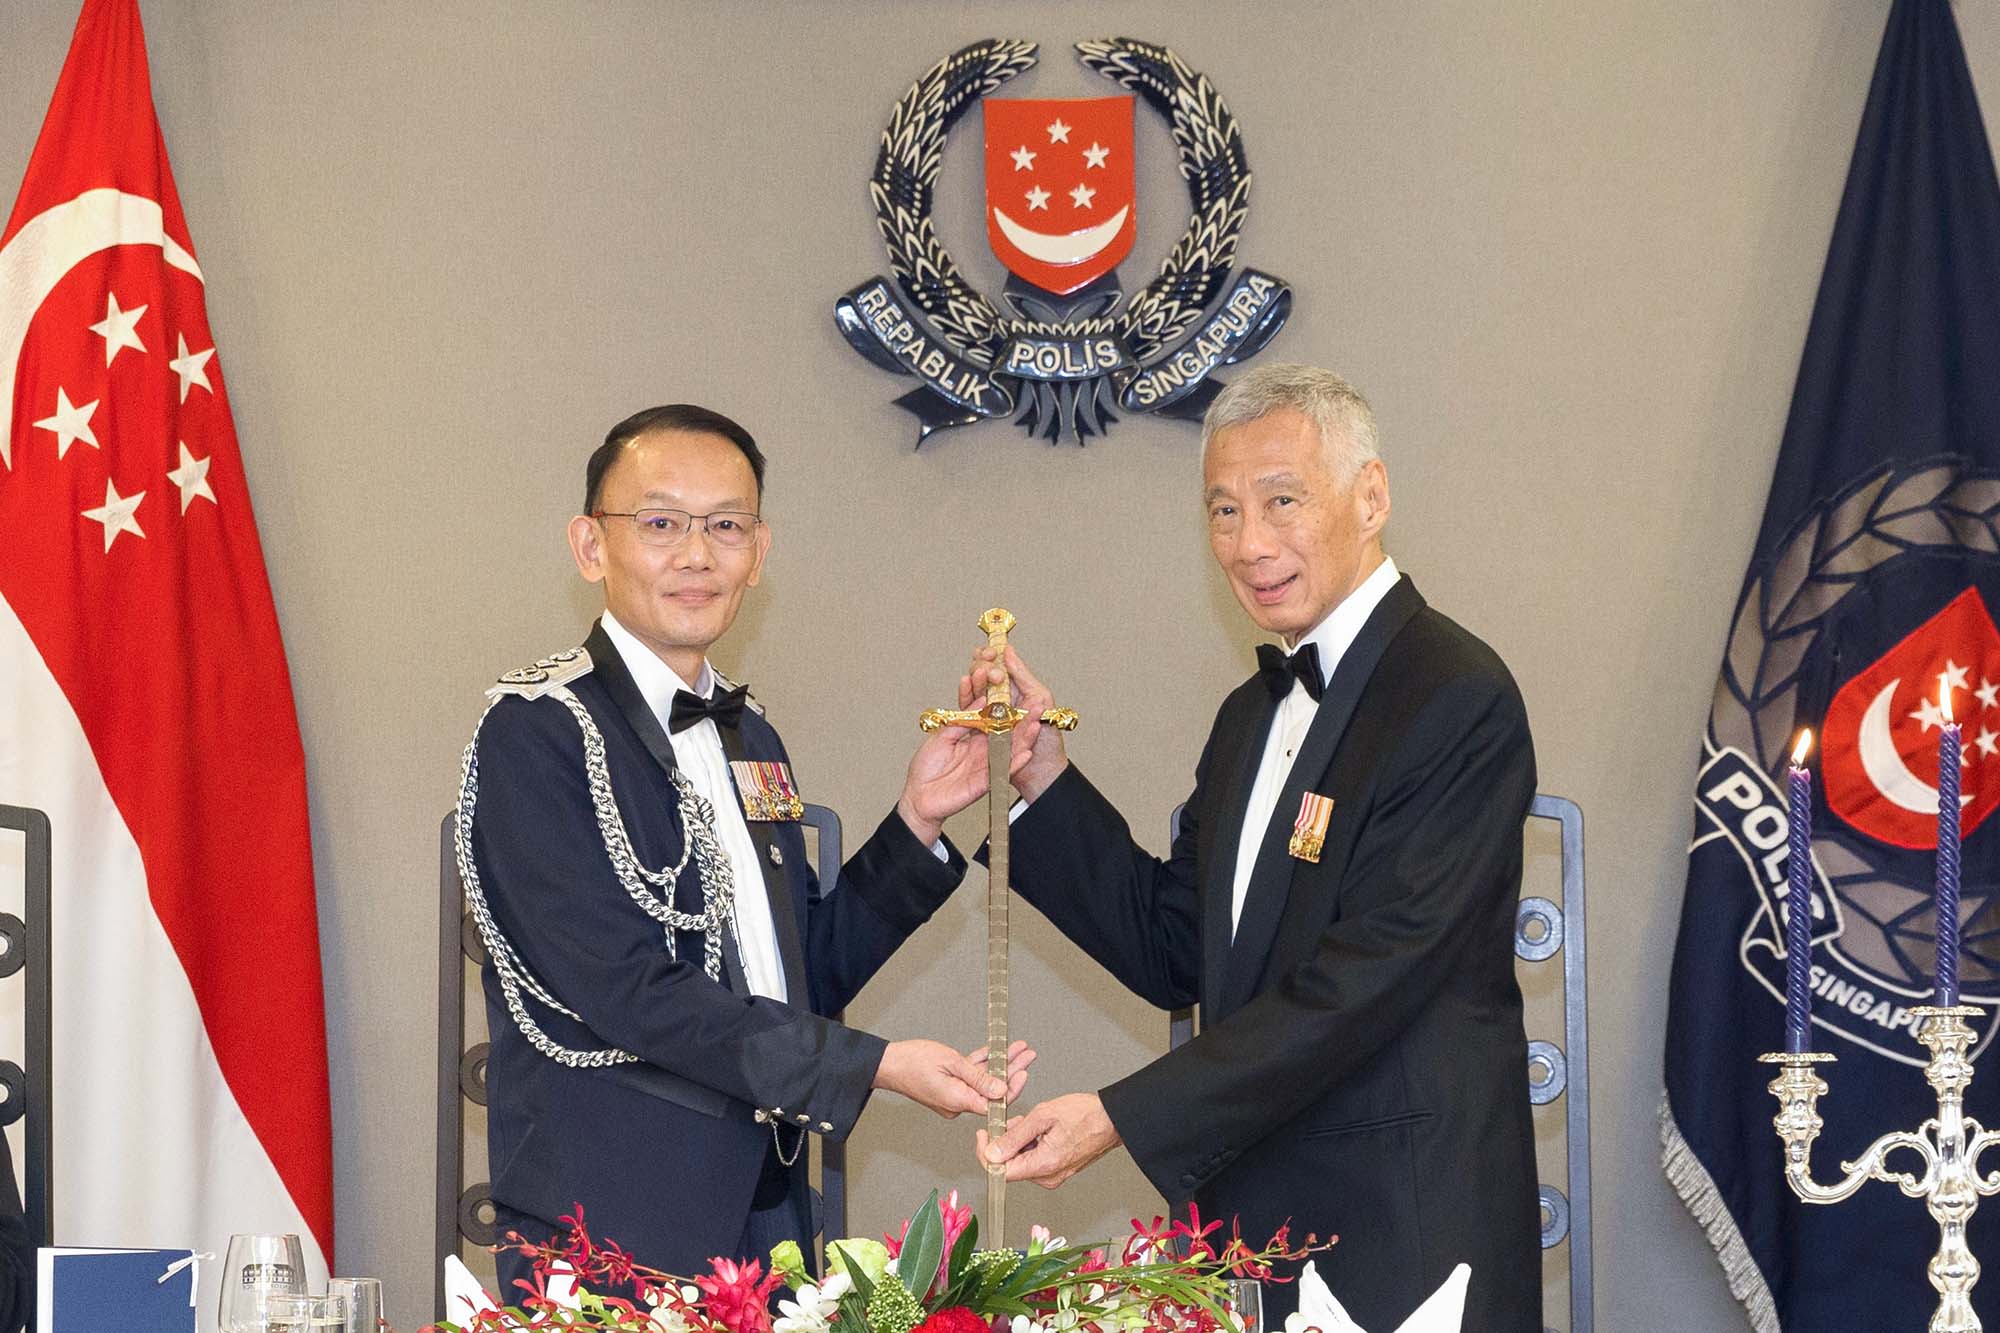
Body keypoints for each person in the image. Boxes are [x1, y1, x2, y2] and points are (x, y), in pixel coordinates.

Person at [973, 365, 1541, 1330]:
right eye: (1224, 510)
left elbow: (1365, 983)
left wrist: (1118, 1116)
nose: (1249, 543)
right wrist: (1042, 782)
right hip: (1258, 1238)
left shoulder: (1453, 694)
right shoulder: (1249, 714)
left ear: (1372, 497)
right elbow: (1174, 946)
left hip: (1401, 1232)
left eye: (1283, 500)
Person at [458, 403, 1031, 1299]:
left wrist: (915, 822)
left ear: (758, 553)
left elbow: (799, 975)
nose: (697, 554)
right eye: (660, 523)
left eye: (725, 526)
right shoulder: (535, 733)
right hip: (609, 1226)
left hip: (770, 1216)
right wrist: (871, 1063)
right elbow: (625, 988)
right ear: (589, 545)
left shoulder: (750, 735)